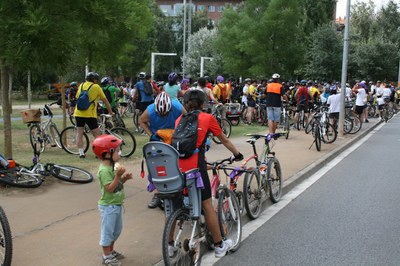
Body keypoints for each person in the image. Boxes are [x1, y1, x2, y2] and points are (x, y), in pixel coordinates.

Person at [174, 89, 243, 258]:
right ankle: (220, 246)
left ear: (185, 103)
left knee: (177, 204)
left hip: (178, 167)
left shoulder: (178, 120)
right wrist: (237, 154)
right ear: (203, 103)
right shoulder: (207, 118)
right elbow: (224, 139)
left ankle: (170, 245)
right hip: (197, 168)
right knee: (207, 205)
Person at [139, 92, 186, 208]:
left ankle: (181, 191)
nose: (162, 115)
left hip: (174, 137)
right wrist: (151, 135)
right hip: (158, 138)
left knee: (178, 163)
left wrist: (181, 132)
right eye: (160, 113)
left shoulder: (177, 107)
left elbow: (188, 118)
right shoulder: (149, 110)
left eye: (165, 113)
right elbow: (141, 121)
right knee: (156, 166)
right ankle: (157, 194)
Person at [92, 135, 133, 266]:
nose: (119, 152)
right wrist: (118, 176)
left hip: (116, 205)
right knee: (108, 232)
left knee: (116, 231)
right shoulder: (104, 171)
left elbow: (117, 186)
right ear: (106, 154)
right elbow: (110, 188)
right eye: (117, 150)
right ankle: (106, 256)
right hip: (108, 207)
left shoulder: (112, 166)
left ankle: (111, 250)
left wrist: (123, 179)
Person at [74, 72, 114, 158]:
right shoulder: (96, 87)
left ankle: (81, 153)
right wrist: (111, 112)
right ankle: (98, 152)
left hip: (78, 112)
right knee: (96, 134)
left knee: (79, 133)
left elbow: (77, 97)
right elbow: (105, 100)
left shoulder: (81, 85)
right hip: (89, 114)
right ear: (94, 80)